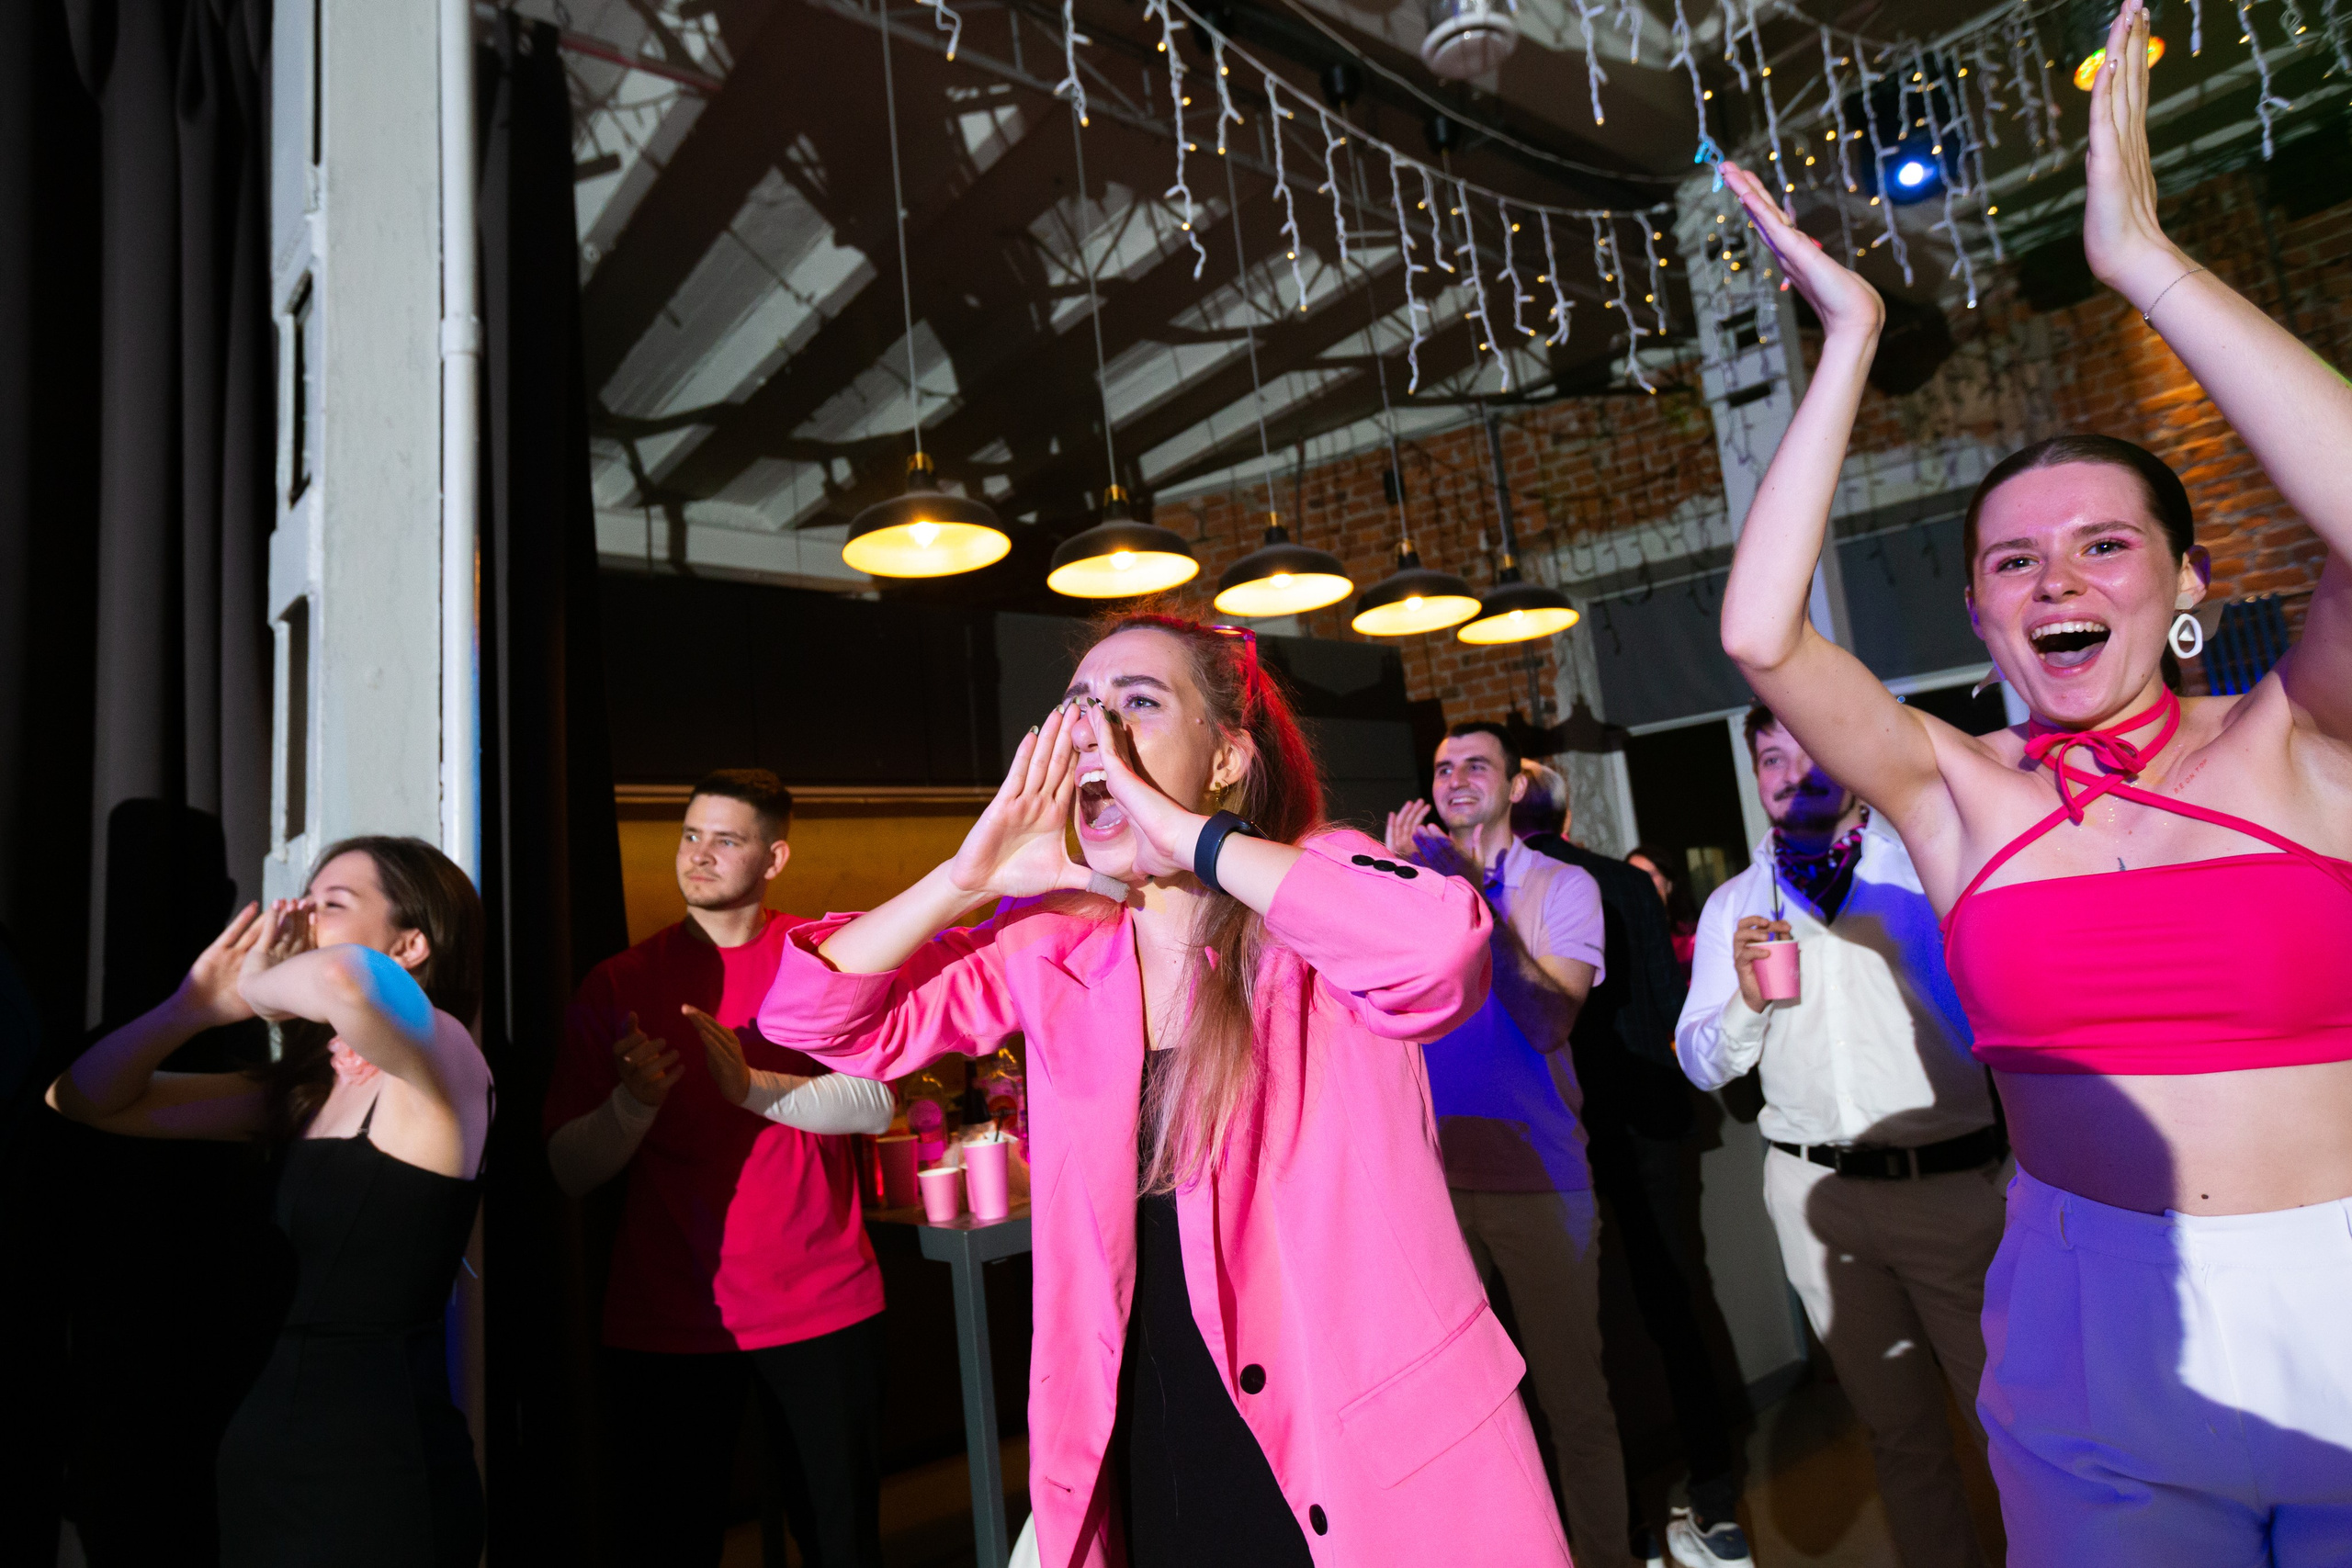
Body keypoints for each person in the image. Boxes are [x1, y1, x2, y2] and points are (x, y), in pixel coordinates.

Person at [1715, 6, 2352, 1555]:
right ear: (1984, 613)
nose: (2055, 575)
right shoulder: (1956, 792)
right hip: (2081, 1335)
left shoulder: (2304, 739)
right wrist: (1851, 336)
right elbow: (1757, 629)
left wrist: (2142, 259)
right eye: (2014, 558)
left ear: (2187, 581)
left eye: (2103, 543)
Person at [756, 613, 1572, 1568]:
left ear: (1226, 758)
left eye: (1136, 705)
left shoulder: (1315, 888)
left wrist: (1187, 836)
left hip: (1358, 1459)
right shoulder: (1051, 942)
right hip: (1155, 1454)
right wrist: (965, 876)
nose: (1096, 733)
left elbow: (1439, 955)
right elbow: (816, 1021)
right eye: (1079, 711)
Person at [47, 837, 492, 1568]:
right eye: (304, 898)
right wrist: (191, 1007)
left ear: (410, 943)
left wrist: (258, 984)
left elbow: (350, 984)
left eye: (331, 904)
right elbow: (82, 1096)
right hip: (262, 1461)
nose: (299, 919)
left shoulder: (442, 1055)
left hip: (381, 1471)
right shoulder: (300, 1088)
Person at [1674, 711, 2004, 1568]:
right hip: (1817, 1199)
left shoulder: (1932, 863)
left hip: (1956, 1189)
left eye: (1813, 748)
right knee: (1899, 1435)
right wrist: (1747, 999)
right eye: (1771, 757)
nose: (1792, 772)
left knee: (2012, 1424)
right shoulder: (1733, 907)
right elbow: (1701, 1062)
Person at [543, 769, 894, 1568]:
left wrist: (750, 1088)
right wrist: (632, 1105)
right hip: (668, 1320)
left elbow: (876, 1103)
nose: (698, 855)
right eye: (690, 835)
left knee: (842, 1547)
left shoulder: (824, 958)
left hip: (821, 1306)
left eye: (725, 839)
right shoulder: (620, 982)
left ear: (774, 858)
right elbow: (567, 1168)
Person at [1385, 725, 1631, 1568]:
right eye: (1442, 765)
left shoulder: (1564, 887)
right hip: (1434, 1186)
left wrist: (1468, 897)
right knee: (1456, 1410)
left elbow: (1548, 1017)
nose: (1453, 778)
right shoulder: (1416, 887)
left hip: (1540, 1181)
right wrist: (1393, 894)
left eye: (1474, 765)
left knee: (1573, 1402)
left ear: (1515, 787)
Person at [1514, 762, 1746, 1568]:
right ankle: (1715, 1492)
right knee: (1676, 1307)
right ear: (1567, 811)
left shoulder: (1514, 891)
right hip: (1646, 1126)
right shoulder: (1622, 880)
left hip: (1560, 1133)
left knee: (1582, 1339)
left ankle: (1622, 1529)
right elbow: (1663, 1002)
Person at [1626, 846, 1699, 980]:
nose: (1641, 882)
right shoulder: (1624, 935)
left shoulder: (1693, 933)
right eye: (1634, 875)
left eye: (1650, 875)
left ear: (1669, 883)